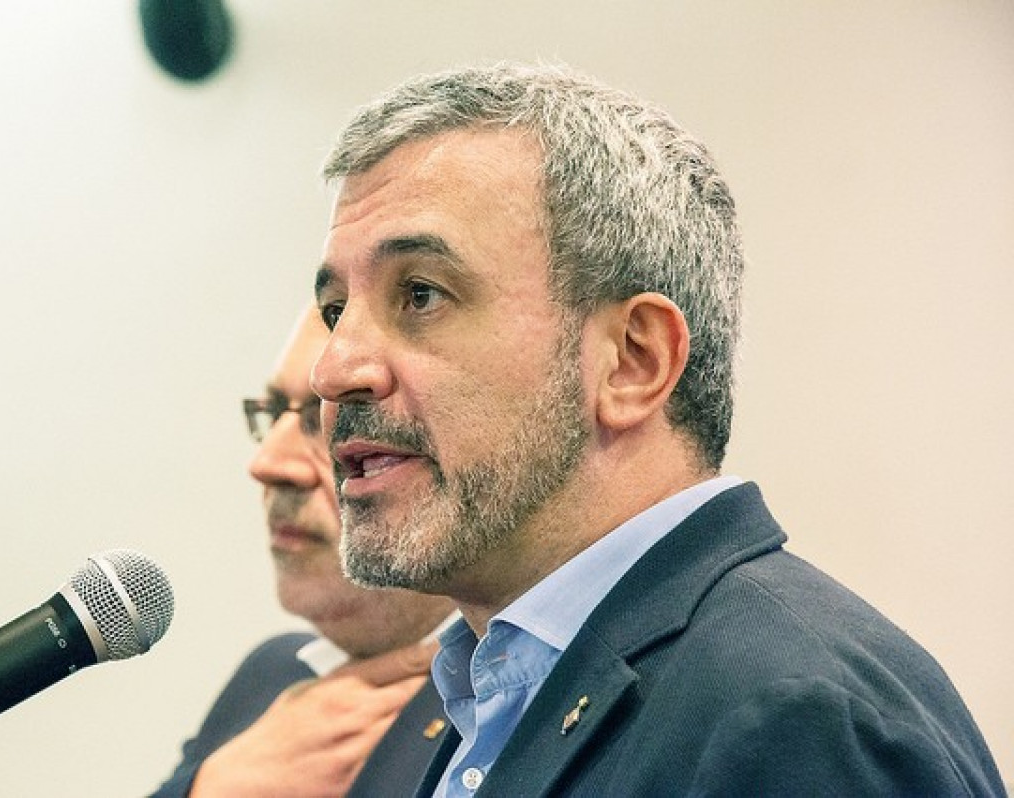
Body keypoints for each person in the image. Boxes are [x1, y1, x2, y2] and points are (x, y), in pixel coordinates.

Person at [309, 62, 1006, 796]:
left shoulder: (793, 720)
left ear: (633, 362)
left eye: (421, 294)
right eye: (336, 311)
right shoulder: (493, 693)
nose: (333, 368)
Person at [151, 306, 456, 797]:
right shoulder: (271, 676)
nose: (267, 463)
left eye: (327, 418)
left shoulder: (518, 703)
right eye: (273, 413)